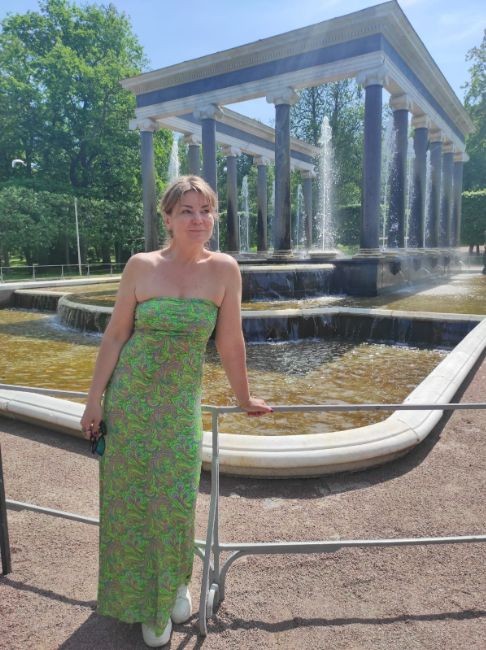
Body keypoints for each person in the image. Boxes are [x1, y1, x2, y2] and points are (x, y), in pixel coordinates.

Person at [80, 175, 272, 647]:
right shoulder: (140, 266)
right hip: (130, 402)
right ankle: (146, 603)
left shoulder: (224, 270)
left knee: (175, 501)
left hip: (179, 407)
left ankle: (174, 584)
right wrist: (94, 398)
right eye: (187, 210)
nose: (198, 219)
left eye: (206, 210)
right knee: (129, 503)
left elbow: (231, 342)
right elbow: (115, 335)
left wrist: (243, 397)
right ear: (167, 218)